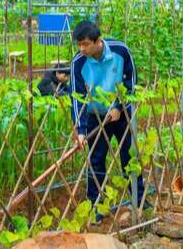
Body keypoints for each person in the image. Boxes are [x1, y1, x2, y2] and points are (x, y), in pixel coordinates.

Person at [70, 21, 145, 223]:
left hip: (121, 114)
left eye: (86, 44)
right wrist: (80, 130)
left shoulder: (121, 51)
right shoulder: (78, 62)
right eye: (79, 44)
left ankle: (139, 200)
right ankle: (96, 205)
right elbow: (77, 97)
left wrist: (119, 106)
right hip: (95, 114)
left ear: (98, 41)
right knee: (96, 160)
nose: (81, 49)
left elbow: (131, 81)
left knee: (129, 155)